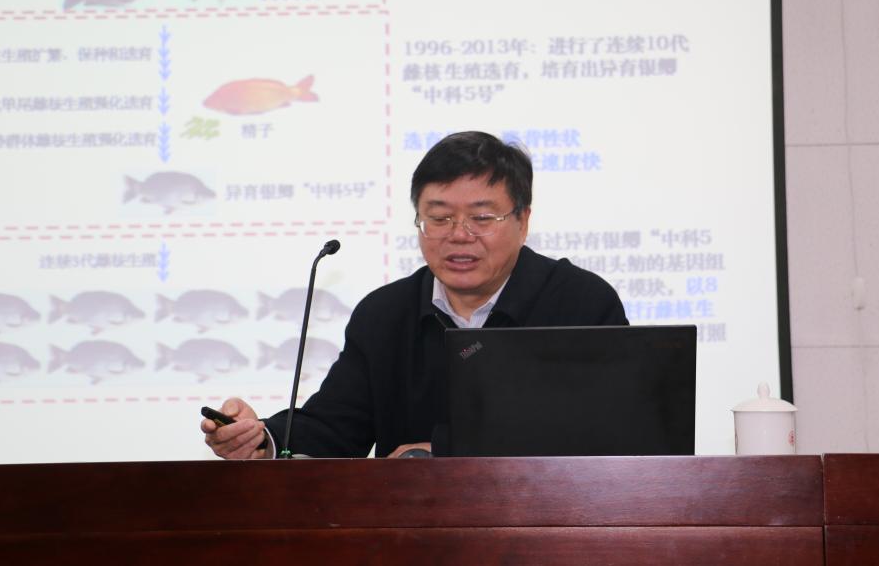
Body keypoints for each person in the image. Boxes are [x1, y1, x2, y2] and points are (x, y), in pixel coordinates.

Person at [202, 130, 628, 459]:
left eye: (482, 218)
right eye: (438, 218)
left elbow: (610, 431)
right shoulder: (386, 314)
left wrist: (442, 452)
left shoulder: (581, 303)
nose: (459, 235)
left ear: (523, 221)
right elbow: (336, 426)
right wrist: (262, 438)